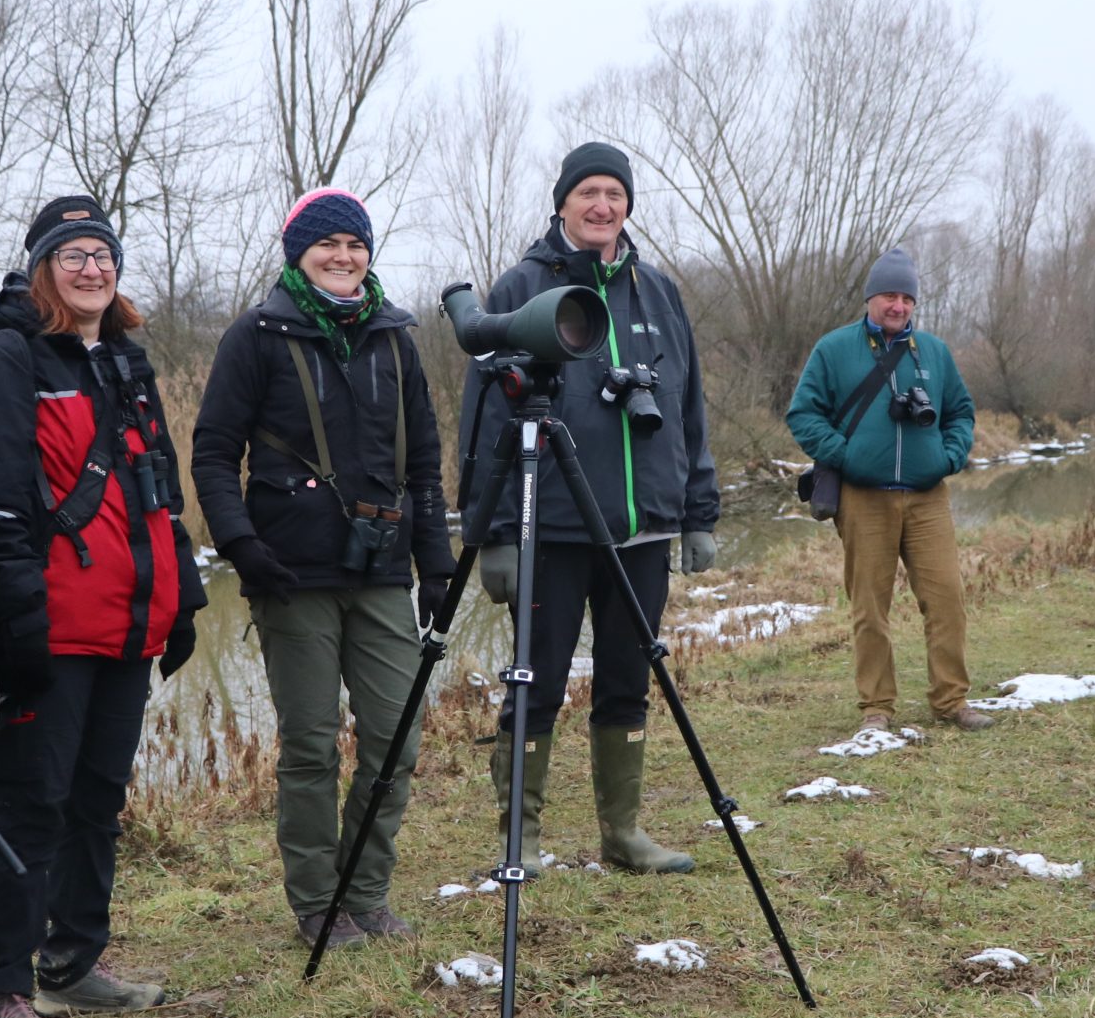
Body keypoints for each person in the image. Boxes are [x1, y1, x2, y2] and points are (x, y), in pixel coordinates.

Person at [0, 196, 206, 1018]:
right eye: (73, 255)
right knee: (28, 804)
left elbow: (157, 492)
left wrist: (183, 601)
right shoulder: (1, 363)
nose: (92, 268)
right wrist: (13, 624)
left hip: (128, 631)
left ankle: (73, 960)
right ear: (42, 267)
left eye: (103, 254)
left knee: (97, 801)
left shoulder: (126, 362)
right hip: (49, 634)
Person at [192, 189, 454, 950]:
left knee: (394, 739)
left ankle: (364, 891)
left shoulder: (395, 339)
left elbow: (426, 463)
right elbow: (212, 454)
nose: (343, 257)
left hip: (381, 572)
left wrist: (434, 564)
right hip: (290, 575)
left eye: (356, 244)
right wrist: (243, 546)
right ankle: (317, 903)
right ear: (297, 252)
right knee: (309, 743)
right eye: (327, 244)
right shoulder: (255, 335)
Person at [458, 142, 718, 876]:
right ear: (563, 202)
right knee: (534, 678)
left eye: (614, 193)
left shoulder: (658, 292)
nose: (602, 206)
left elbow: (689, 408)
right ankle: (523, 838)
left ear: (628, 204)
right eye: (588, 193)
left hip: (643, 530)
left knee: (628, 678)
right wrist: (496, 531)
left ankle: (624, 832)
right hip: (554, 527)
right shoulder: (521, 285)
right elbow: (482, 421)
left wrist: (700, 512)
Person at [785, 247, 991, 735]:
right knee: (870, 608)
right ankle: (876, 707)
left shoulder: (934, 352)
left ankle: (950, 700)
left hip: (927, 497)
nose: (898, 306)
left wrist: (949, 456)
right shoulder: (834, 349)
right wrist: (844, 454)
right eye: (888, 296)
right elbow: (803, 414)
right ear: (870, 298)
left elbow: (961, 411)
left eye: (906, 297)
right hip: (863, 498)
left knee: (946, 600)